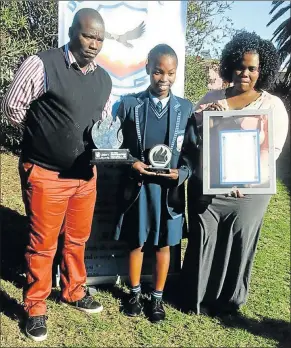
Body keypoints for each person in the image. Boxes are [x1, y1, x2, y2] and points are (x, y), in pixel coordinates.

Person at [1, 8, 112, 341]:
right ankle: (35, 306)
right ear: (72, 33)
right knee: (43, 244)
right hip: (46, 173)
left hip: (84, 176)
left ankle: (74, 290)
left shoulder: (105, 79)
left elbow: (103, 124)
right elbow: (11, 107)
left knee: (77, 239)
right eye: (88, 35)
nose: (94, 43)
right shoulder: (43, 64)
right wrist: (42, 135)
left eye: (100, 39)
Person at [181, 31, 289, 315]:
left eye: (252, 68)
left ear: (262, 70)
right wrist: (207, 118)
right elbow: (190, 141)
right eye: (240, 65)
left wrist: (245, 179)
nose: (245, 72)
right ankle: (195, 295)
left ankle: (228, 301)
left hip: (249, 191)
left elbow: (272, 151)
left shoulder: (271, 106)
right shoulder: (211, 98)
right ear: (230, 64)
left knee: (239, 240)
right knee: (205, 237)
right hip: (208, 187)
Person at [114, 44, 198, 322]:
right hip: (139, 189)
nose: (164, 79)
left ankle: (157, 299)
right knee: (136, 243)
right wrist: (131, 163)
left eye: (171, 73)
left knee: (165, 246)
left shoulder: (185, 109)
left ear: (176, 73)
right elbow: (114, 145)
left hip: (169, 192)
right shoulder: (129, 105)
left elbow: (192, 155)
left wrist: (182, 174)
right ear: (148, 68)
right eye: (158, 72)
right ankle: (135, 293)